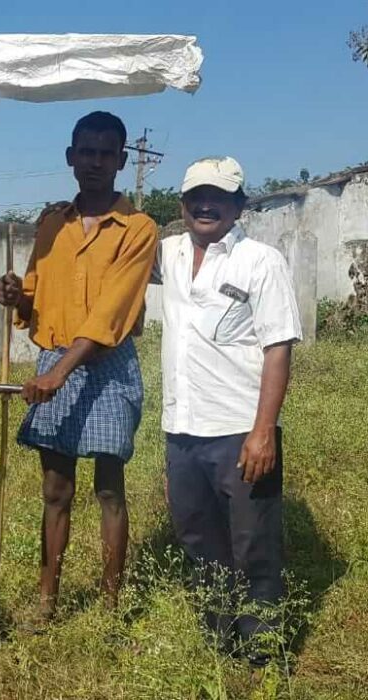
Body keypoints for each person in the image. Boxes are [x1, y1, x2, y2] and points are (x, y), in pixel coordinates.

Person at [0, 111, 158, 624]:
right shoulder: (51, 224)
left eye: (105, 153)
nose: (94, 162)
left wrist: (58, 374)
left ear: (121, 160)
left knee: (109, 487)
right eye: (85, 152)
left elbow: (113, 312)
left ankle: (110, 609)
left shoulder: (138, 229)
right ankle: (48, 602)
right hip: (53, 364)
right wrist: (14, 296)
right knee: (55, 489)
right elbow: (34, 299)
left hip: (106, 368)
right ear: (70, 157)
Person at [154, 156, 302, 664]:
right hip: (181, 430)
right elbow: (111, 254)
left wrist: (264, 431)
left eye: (218, 196)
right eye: (196, 196)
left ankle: (264, 654)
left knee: (254, 546)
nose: (206, 204)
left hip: (241, 431)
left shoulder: (261, 261)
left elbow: (278, 347)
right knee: (198, 540)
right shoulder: (169, 252)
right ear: (182, 204)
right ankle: (222, 643)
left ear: (239, 205)